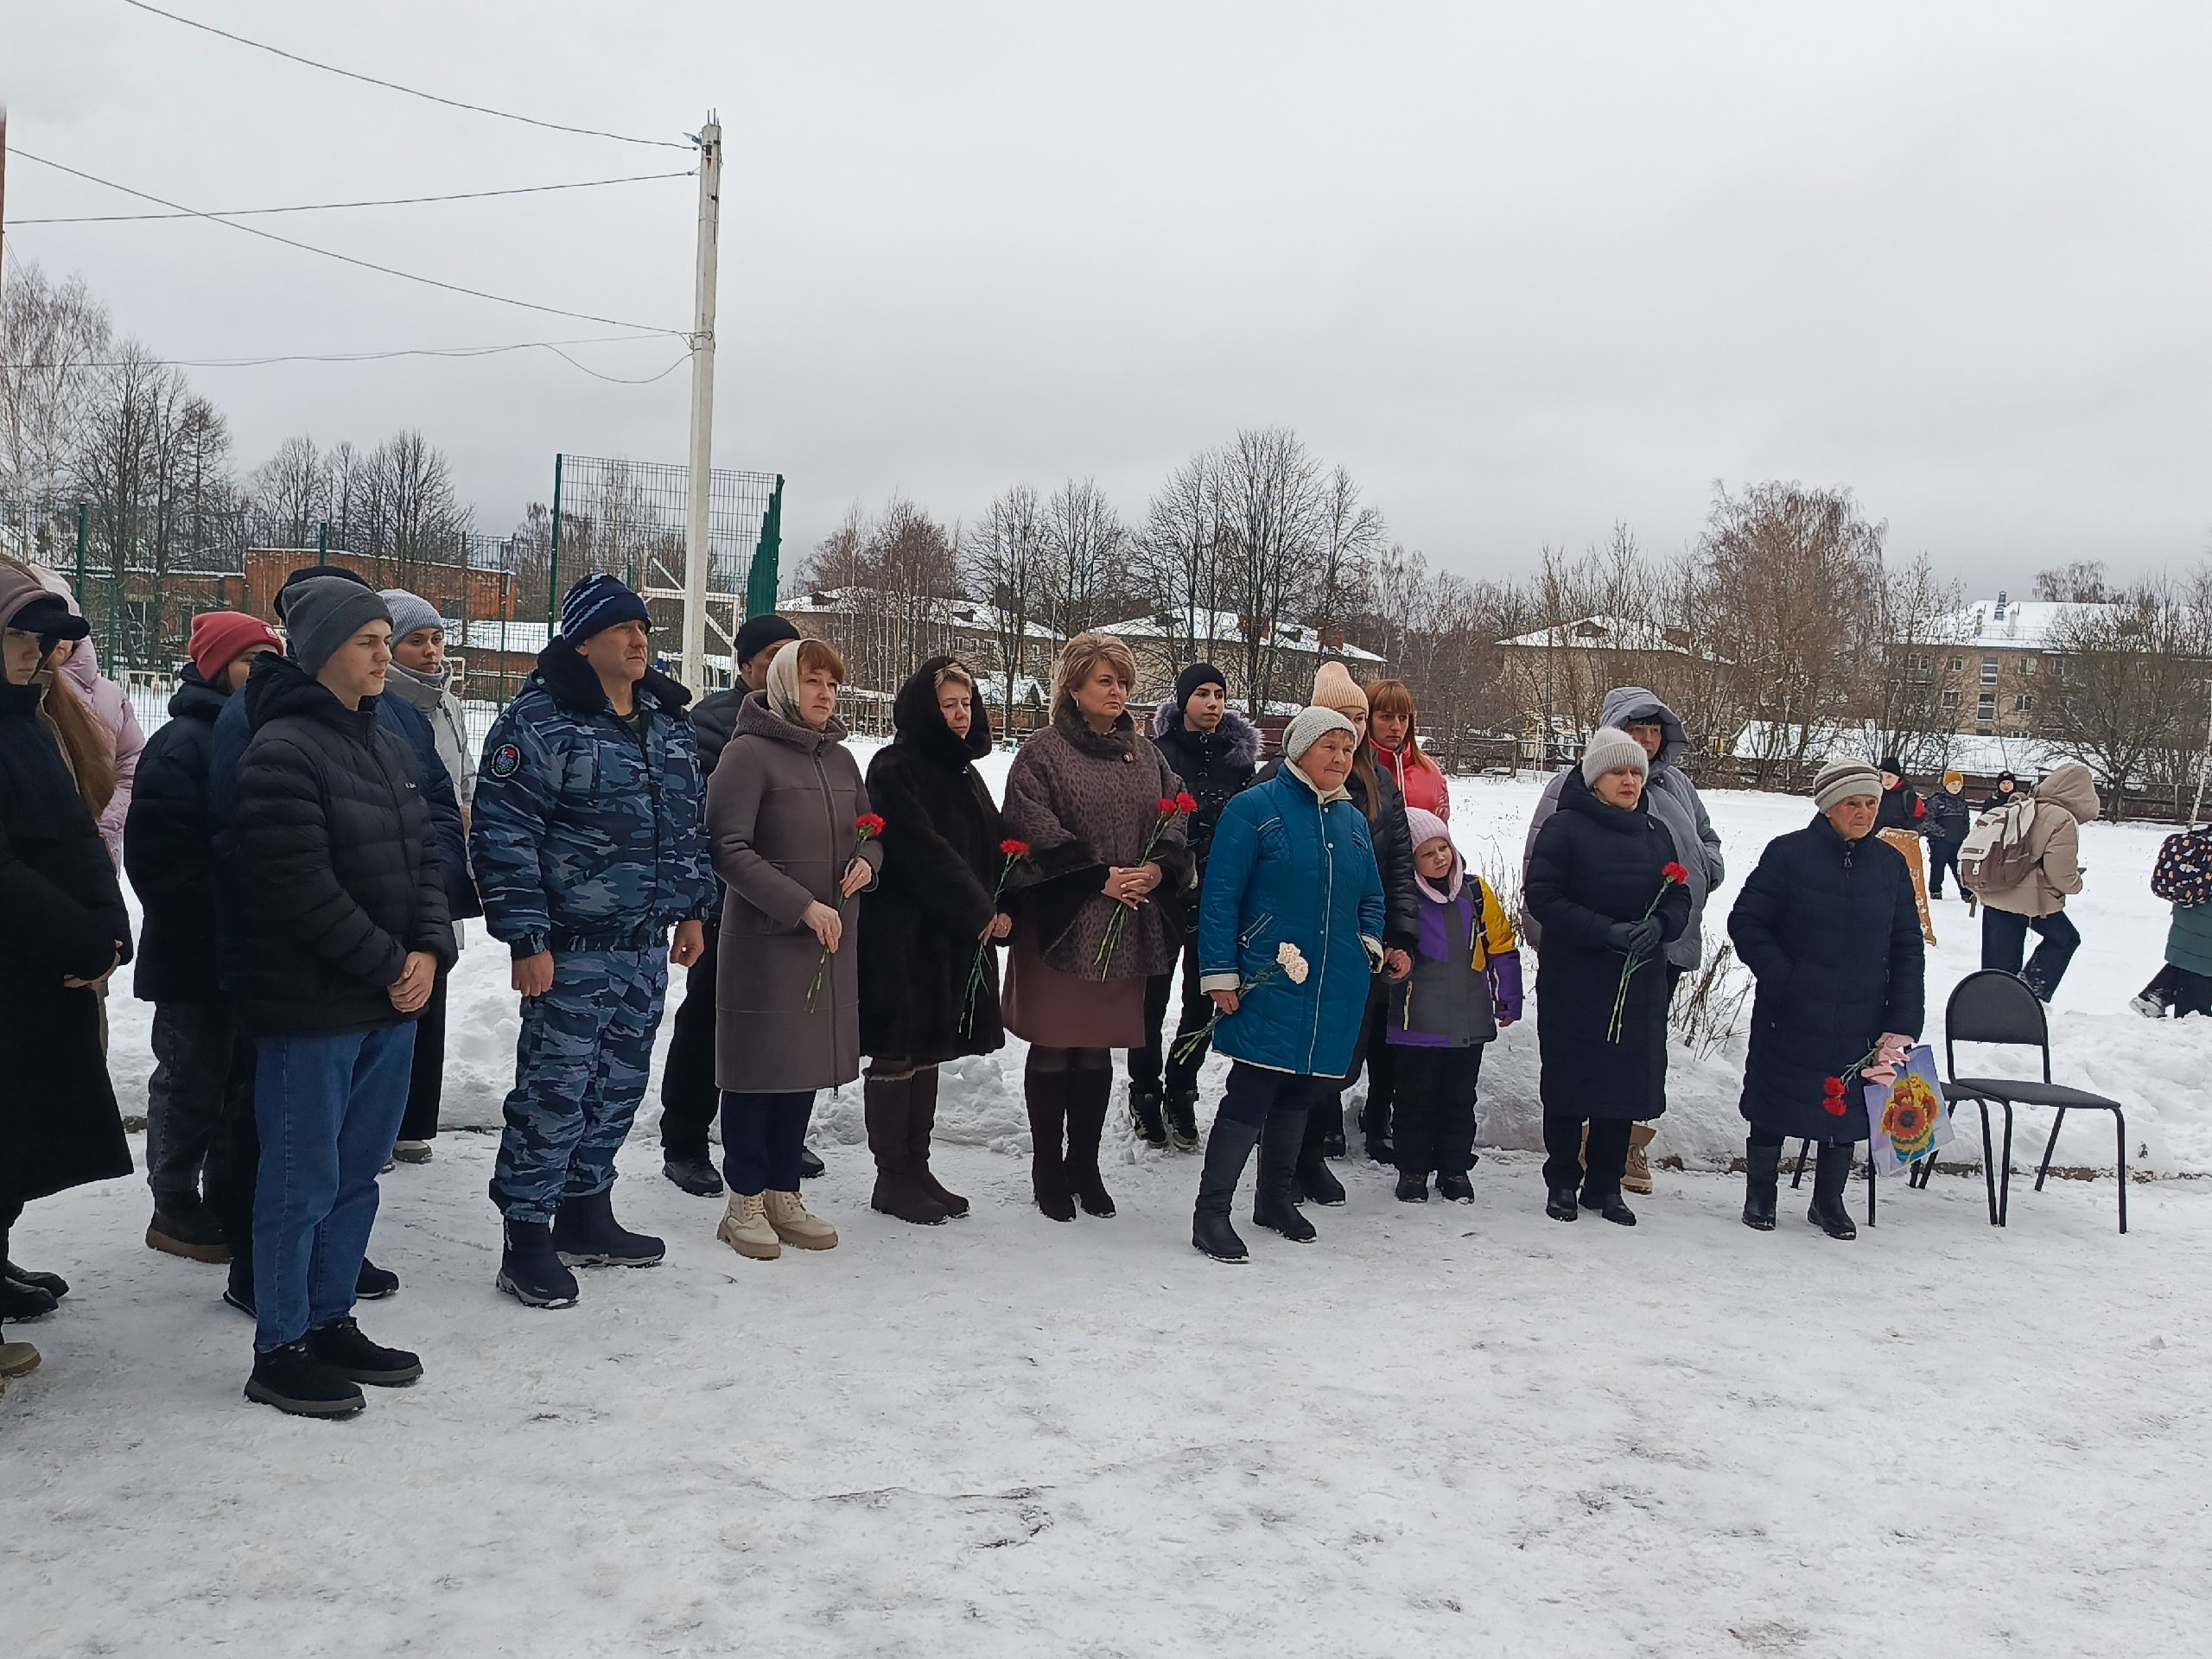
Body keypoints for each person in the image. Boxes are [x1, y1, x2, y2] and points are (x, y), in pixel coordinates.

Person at [205, 564, 467, 1317]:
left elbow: (425, 852)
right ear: (319, 650)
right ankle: (283, 1340)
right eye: (368, 643)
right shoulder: (278, 743)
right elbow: (295, 883)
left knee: (356, 1175)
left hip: (386, 1000)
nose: (388, 657)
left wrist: (428, 948)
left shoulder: (387, 742)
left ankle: (331, 1317)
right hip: (314, 1001)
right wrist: (391, 962)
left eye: (390, 641)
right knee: (301, 1181)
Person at [472, 575, 714, 1307]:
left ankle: (586, 1211)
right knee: (554, 1091)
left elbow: (689, 829)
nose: (640, 640)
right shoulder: (540, 725)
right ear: (584, 641)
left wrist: (693, 911)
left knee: (616, 1087)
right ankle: (528, 1234)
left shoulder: (666, 726)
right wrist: (526, 940)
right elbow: (503, 837)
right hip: (570, 948)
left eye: (644, 629)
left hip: (644, 945)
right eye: (622, 629)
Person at [1001, 632, 1193, 1222]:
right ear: (1075, 687)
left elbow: (1177, 817)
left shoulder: (1147, 754)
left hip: (1127, 921)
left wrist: (1157, 873)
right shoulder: (1044, 751)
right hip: (1064, 921)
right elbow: (1029, 824)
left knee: (1095, 1053)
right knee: (1057, 1043)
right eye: (1106, 681)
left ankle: (1084, 1163)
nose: (1118, 692)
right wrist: (1094, 876)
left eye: (1125, 683)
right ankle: (1045, 1167)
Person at [705, 637, 880, 1257]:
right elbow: (727, 847)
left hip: (827, 942)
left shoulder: (840, 760)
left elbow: (870, 829)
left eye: (831, 683)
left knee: (801, 1070)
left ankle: (784, 1191)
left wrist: (868, 863)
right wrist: (799, 905)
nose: (825, 694)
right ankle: (743, 1201)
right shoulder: (748, 755)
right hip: (768, 943)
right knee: (758, 1072)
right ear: (783, 686)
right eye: (812, 682)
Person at [1191, 708, 1384, 1262]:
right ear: (1299, 750)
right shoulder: (1255, 808)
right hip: (1268, 972)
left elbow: (1371, 896)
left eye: (1348, 750)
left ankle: (1274, 1199)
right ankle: (1211, 1214)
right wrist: (1220, 972)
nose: (1342, 759)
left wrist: (1368, 942)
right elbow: (1221, 897)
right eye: (1330, 747)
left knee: (1302, 1089)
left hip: (1333, 979)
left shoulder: (1350, 820)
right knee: (1252, 1091)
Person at [0, 569, 132, 1355]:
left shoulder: (27, 716)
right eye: (19, 635)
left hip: (40, 971)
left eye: (43, 639)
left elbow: (77, 838)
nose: (38, 652)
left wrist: (113, 932)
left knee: (21, 1134)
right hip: (22, 963)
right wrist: (79, 938)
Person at [1522, 685, 1725, 1196]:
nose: (1631, 780)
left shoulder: (1655, 831)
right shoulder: (1564, 829)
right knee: (1573, 1078)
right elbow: (1543, 896)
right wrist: (1604, 931)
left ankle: (1606, 1184)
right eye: (1620, 771)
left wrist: (1660, 927)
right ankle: (1564, 1180)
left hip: (1638, 976)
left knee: (1624, 1082)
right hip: (1578, 973)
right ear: (1596, 778)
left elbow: (1676, 892)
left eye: (1636, 772)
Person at [124, 611, 281, 1262]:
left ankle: (224, 1191)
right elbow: (157, 859)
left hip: (249, 953)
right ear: (217, 668)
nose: (261, 676)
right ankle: (172, 1200)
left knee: (239, 1079)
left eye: (269, 662)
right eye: (249, 662)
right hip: (194, 956)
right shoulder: (183, 742)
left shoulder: (265, 734)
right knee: (192, 1077)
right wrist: (214, 923)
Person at [1727, 761, 1925, 1239]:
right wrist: (1785, 979)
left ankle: (1829, 1201)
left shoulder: (1890, 864)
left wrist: (1902, 1017)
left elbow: (1906, 945)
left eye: (1871, 803)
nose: (1863, 812)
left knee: (1847, 1107)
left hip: (1862, 1012)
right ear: (1828, 807)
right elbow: (1747, 922)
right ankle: (1761, 1197)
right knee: (1775, 1100)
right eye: (1852, 803)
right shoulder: (1789, 855)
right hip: (1791, 1008)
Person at [659, 613, 815, 1197]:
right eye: (772, 656)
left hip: (794, 908)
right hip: (729, 905)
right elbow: (704, 820)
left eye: (793, 657)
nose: (785, 669)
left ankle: (777, 1138)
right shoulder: (711, 726)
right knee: (709, 1021)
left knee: (782, 1029)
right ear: (745, 666)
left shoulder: (806, 725)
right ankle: (686, 1140)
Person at [859, 657, 1005, 1224]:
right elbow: (922, 852)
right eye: (949, 704)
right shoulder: (894, 767)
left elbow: (991, 845)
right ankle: (891, 1177)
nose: (961, 714)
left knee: (929, 1050)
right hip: (902, 938)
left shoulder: (964, 775)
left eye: (966, 704)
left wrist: (1007, 898)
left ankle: (917, 1168)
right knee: (898, 1050)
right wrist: (978, 910)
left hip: (949, 938)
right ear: (925, 708)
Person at [1130, 661, 1261, 1151]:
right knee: (1150, 999)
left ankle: (1181, 1088)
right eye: (1202, 693)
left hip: (1219, 897)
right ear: (1183, 700)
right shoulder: (1157, 755)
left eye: (1219, 695)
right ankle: (1144, 1091)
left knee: (1203, 999)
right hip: (1163, 894)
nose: (1212, 703)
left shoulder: (1237, 761)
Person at [378, 590, 479, 1166]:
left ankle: (414, 1118)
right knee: (395, 991)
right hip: (397, 867)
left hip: (442, 864)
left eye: (437, 639)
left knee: (433, 987)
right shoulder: (379, 702)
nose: (431, 651)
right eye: (416, 640)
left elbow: (461, 775)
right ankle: (381, 1120)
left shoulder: (447, 703)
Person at [1387, 807, 1522, 1204]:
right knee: (1414, 1099)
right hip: (1417, 1023)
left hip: (1468, 1021)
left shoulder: (1476, 893)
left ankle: (1454, 1168)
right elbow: (1388, 954)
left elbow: (1502, 947)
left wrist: (1508, 995)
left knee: (1460, 1100)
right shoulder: (1403, 900)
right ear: (1411, 862)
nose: (1440, 858)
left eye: (1443, 847)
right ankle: (1412, 1170)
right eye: (1427, 854)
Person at [1972, 760, 2099, 1002]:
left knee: (1998, 966)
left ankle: (1989, 1009)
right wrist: (2076, 884)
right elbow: (2060, 874)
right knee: (2065, 939)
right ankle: (2027, 994)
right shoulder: (2062, 819)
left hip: (1996, 888)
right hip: (2027, 898)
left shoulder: (2023, 806)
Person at [2140, 823, 2212, 1019]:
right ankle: (2188, 1026)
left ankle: (2156, 995)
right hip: (2205, 928)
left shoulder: (2204, 841)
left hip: (2190, 918)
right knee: (2198, 980)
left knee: (2192, 962)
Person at [1366, 678, 1451, 820]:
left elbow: (1441, 834)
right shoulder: (1352, 770)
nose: (1396, 726)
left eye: (1403, 718)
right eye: (1386, 717)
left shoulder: (1430, 771)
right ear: (1368, 719)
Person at [1923, 770, 1972, 899]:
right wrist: (1943, 833)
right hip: (1940, 842)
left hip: (1958, 842)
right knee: (1938, 868)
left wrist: (1965, 835)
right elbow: (1927, 820)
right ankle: (1935, 892)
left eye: (1958, 784)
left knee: (1960, 869)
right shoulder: (1937, 801)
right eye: (1952, 784)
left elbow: (1966, 821)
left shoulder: (1962, 803)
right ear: (1946, 785)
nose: (1956, 787)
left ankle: (1966, 893)